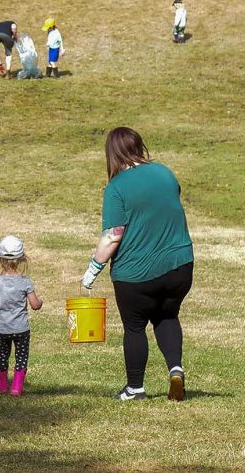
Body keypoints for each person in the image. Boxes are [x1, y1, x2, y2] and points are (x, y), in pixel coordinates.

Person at [81, 127, 194, 402]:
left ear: (112, 153)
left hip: (136, 274)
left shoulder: (116, 187)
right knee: (167, 316)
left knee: (135, 326)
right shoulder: (165, 172)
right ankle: (175, 369)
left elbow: (113, 236)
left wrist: (92, 270)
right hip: (180, 265)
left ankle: (135, 388)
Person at [0, 235, 42, 396]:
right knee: (21, 357)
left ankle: (2, 384)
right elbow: (35, 305)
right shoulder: (25, 282)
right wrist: (40, 302)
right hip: (21, 329)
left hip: (2, 328)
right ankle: (17, 387)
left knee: (3, 355)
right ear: (22, 259)